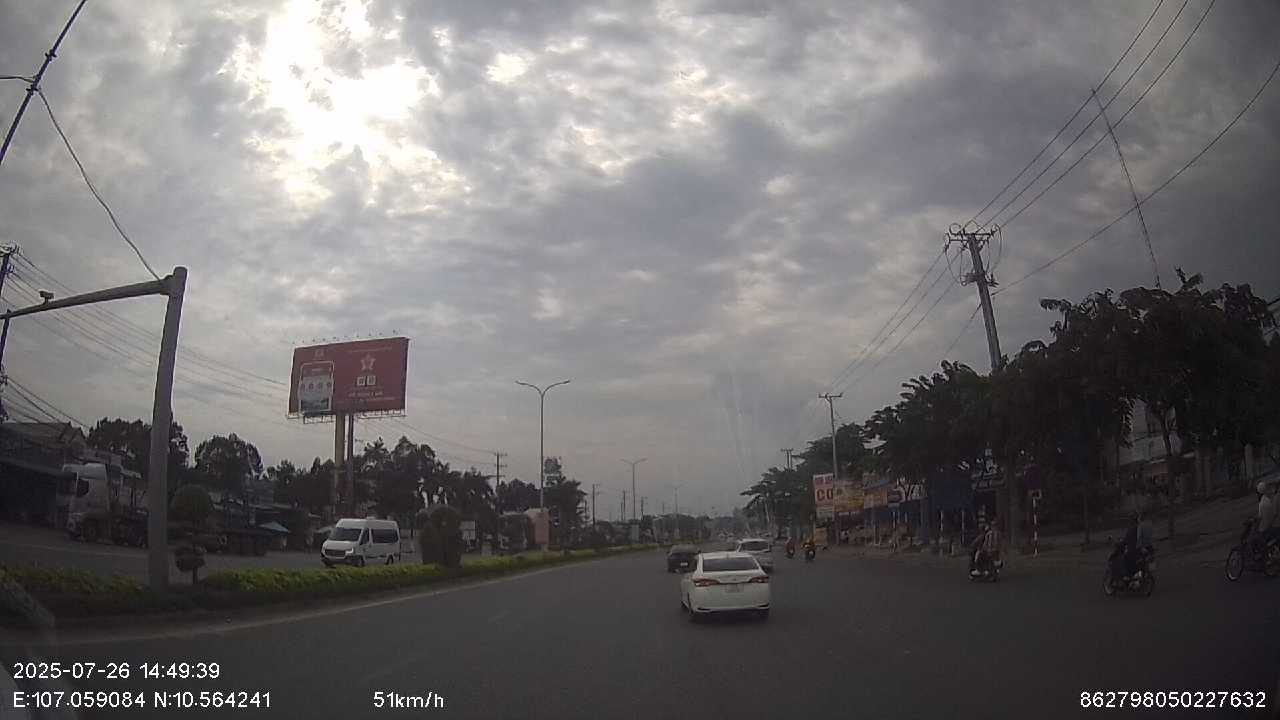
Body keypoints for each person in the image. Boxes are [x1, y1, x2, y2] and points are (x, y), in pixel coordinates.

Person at [1252, 481, 1277, 557]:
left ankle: (1263, 556)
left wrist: (1256, 526)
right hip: (1272, 525)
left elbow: (1260, 518)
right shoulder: (1269, 499)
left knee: (1255, 538)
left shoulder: (1262, 503)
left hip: (1267, 528)